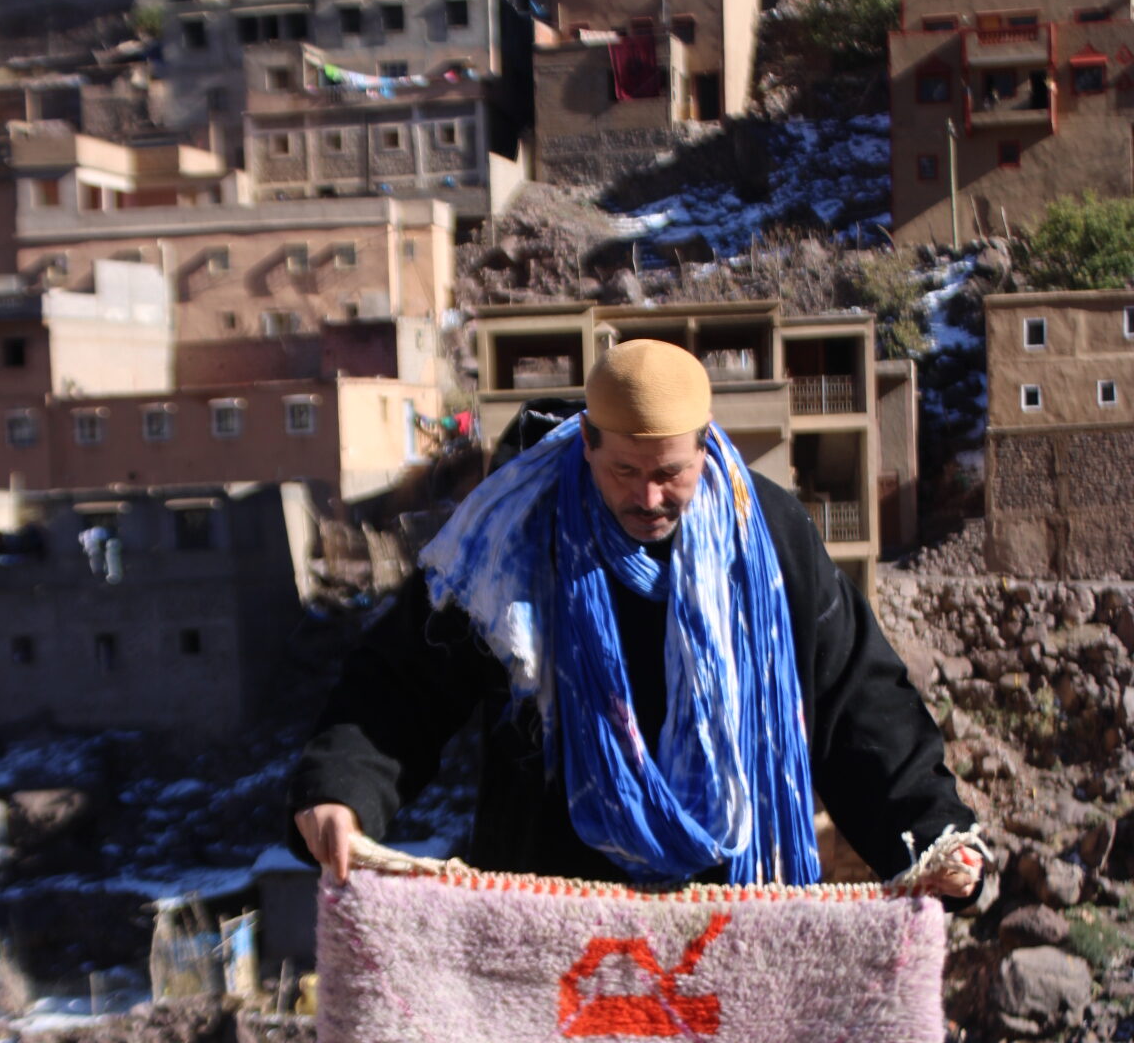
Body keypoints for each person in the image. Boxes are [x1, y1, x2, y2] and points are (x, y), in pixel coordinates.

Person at [291, 339, 980, 899]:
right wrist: (341, 789)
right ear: (586, 439)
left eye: (671, 472)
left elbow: (852, 696)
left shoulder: (765, 536)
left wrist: (930, 831)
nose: (649, 496)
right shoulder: (511, 536)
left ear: (706, 446)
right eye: (623, 470)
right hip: (554, 898)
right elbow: (406, 678)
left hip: (725, 899)